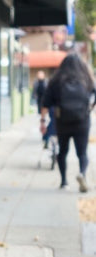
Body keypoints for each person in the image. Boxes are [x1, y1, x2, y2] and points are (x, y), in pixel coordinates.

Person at [40, 52, 95, 192]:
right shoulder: (87, 78)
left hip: (62, 121)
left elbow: (45, 104)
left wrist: (43, 121)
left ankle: (64, 182)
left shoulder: (56, 80)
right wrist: (90, 108)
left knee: (62, 151)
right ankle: (82, 173)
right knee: (82, 153)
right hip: (82, 121)